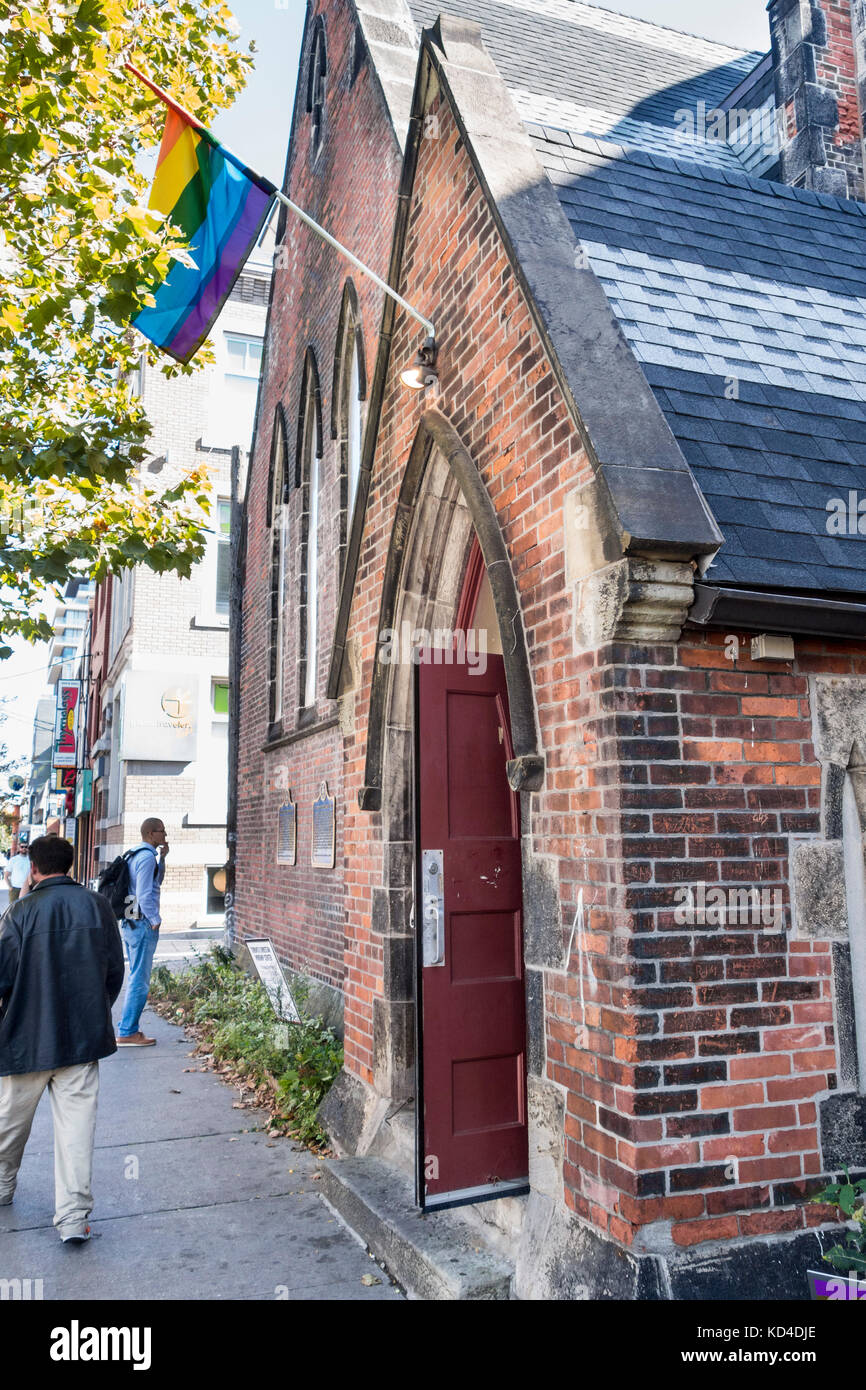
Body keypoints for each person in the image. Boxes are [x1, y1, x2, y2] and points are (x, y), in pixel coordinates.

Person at [0, 835, 124, 1243]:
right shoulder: (97, 906)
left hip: (23, 1041)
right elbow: (113, 971)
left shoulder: (19, 913)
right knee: (76, 1134)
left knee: (8, 1126)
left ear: (33, 869)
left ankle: (2, 1187)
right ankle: (73, 1219)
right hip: (80, 1042)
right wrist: (96, 1011)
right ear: (69, 866)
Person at [115, 817, 168, 1048]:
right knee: (140, 979)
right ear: (150, 833)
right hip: (142, 924)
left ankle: (128, 1029)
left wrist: (163, 859)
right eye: (161, 831)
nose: (165, 835)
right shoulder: (146, 857)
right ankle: (128, 1031)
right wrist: (154, 920)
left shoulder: (135, 854)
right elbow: (146, 894)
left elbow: (155, 883)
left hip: (130, 920)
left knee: (136, 976)